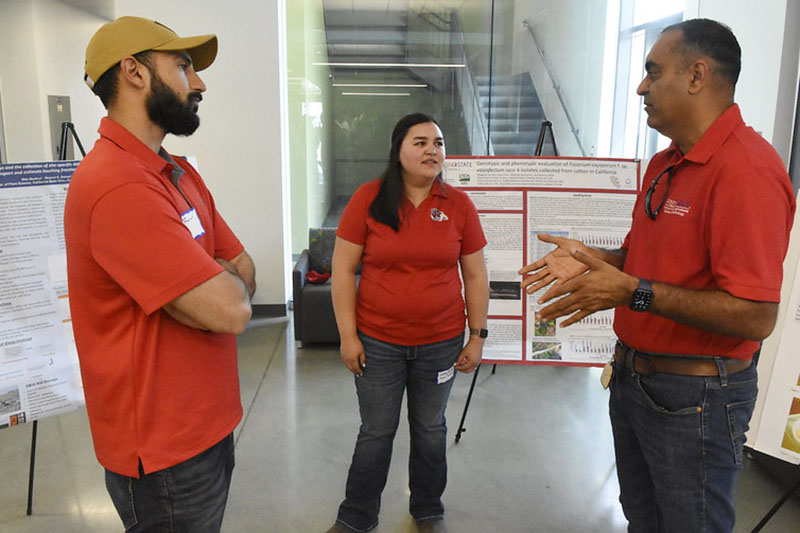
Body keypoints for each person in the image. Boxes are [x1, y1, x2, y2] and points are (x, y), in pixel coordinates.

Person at [519, 19, 795, 532]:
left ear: (696, 75)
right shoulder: (666, 162)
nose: (641, 87)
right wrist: (598, 260)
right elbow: (644, 261)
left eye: (653, 71)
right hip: (636, 383)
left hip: (695, 399)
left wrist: (634, 293)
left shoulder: (747, 170)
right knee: (642, 521)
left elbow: (756, 315)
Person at [65, 16, 255, 531]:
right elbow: (233, 310)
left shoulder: (177, 171)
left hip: (207, 426)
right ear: (134, 71)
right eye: (184, 66)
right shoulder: (117, 185)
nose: (199, 83)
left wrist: (195, 293)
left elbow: (243, 269)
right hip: (165, 453)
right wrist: (210, 286)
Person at [327, 113, 489, 532]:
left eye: (438, 143)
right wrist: (347, 336)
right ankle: (357, 516)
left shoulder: (458, 205)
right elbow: (342, 270)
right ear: (398, 150)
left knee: (431, 428)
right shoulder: (369, 198)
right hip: (377, 342)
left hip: (441, 342)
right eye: (420, 142)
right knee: (376, 431)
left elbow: (475, 274)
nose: (432, 150)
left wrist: (477, 335)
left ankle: (428, 509)